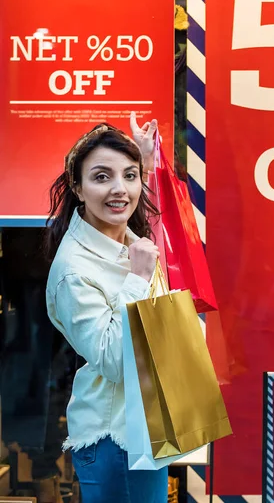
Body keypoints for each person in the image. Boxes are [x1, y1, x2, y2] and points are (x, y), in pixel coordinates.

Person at [45, 115, 167, 503]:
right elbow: (113, 359)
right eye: (101, 177)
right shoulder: (73, 270)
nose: (120, 189)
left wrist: (144, 165)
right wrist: (137, 279)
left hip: (143, 427)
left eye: (129, 176)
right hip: (116, 439)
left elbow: (141, 210)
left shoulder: (123, 236)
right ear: (77, 189)